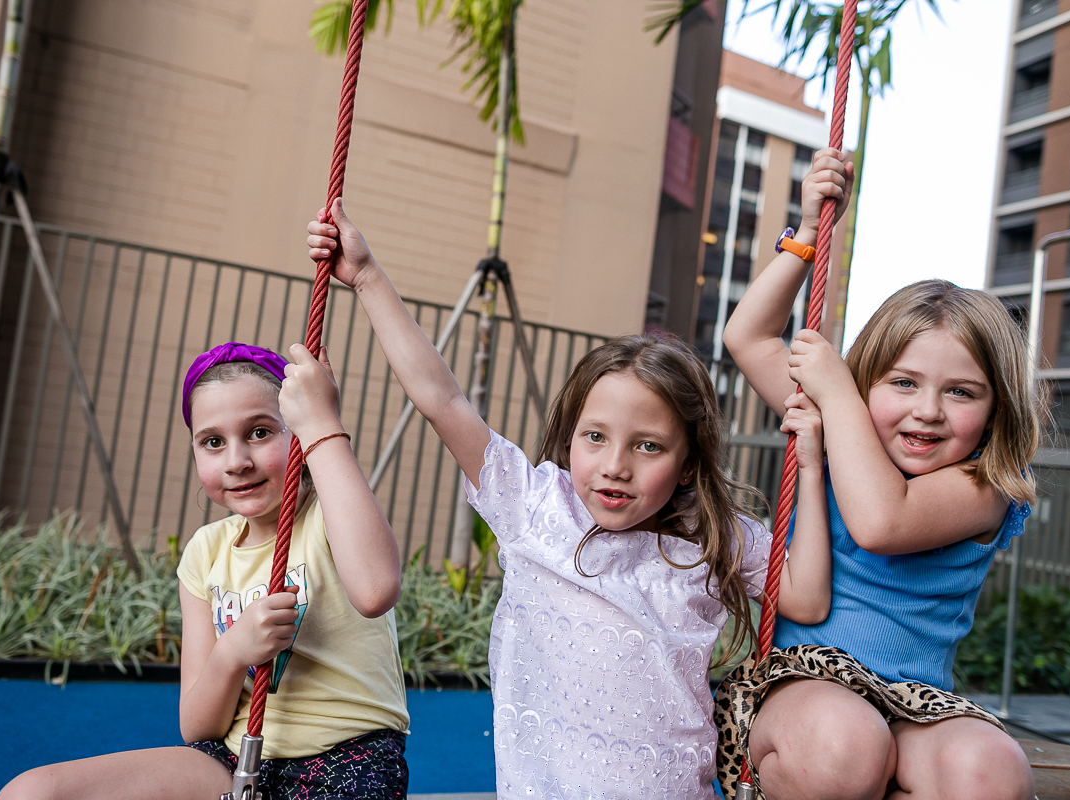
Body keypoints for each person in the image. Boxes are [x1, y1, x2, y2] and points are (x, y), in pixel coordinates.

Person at [304, 199, 829, 800]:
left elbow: (806, 598)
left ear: (688, 464)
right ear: (572, 435)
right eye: (596, 437)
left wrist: (809, 467)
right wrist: (368, 275)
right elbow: (441, 399)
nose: (615, 466)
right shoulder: (533, 506)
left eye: (649, 446)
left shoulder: (711, 536)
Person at [718, 148, 1042, 800]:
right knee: (846, 746)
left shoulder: (985, 488)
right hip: (804, 689)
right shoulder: (844, 430)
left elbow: (882, 521)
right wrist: (805, 235)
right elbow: (748, 338)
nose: (928, 410)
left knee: (992, 770)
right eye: (903, 382)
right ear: (869, 384)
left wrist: (838, 396)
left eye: (961, 392)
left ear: (995, 408)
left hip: (914, 706)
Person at [0, 342, 409, 800]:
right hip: (233, 759)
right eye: (213, 442)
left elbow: (375, 590)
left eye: (259, 432)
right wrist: (232, 652)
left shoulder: (329, 517)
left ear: (296, 431)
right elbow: (196, 725)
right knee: (32, 792)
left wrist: (321, 424)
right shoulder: (205, 552)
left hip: (346, 762)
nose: (236, 461)